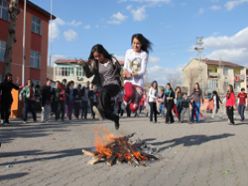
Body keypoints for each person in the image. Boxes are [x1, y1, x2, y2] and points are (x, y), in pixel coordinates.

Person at [80, 44, 121, 130]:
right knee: (105, 112)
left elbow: (120, 69)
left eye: (99, 56)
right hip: (104, 88)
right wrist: (84, 66)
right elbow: (88, 75)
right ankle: (115, 118)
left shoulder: (112, 59)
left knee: (104, 91)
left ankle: (100, 109)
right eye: (95, 57)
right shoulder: (95, 63)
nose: (97, 58)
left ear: (103, 52)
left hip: (114, 85)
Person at [122, 33, 152, 114]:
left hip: (138, 83)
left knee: (134, 108)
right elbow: (125, 66)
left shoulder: (144, 54)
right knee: (129, 93)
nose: (135, 45)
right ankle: (124, 102)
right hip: (128, 80)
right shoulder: (128, 52)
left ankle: (133, 102)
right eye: (134, 43)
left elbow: (143, 71)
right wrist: (125, 72)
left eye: (138, 43)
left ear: (141, 44)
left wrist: (132, 74)